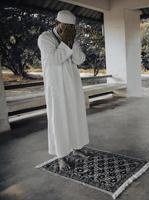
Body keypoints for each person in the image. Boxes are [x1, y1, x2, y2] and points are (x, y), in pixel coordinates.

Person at [37, 10, 89, 171]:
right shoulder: (45, 38)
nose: (67, 29)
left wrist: (72, 42)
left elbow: (79, 60)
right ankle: (61, 156)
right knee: (59, 120)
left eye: (71, 27)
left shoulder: (72, 38)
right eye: (65, 26)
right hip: (56, 87)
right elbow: (54, 60)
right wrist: (66, 42)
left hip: (72, 85)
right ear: (57, 23)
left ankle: (76, 148)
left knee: (75, 116)